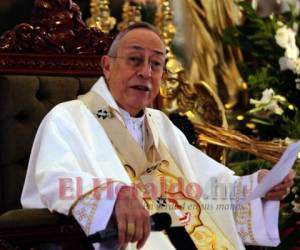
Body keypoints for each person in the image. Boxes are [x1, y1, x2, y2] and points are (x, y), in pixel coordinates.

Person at [21, 22, 295, 250]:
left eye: (156, 64)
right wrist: (115, 196)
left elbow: (210, 184)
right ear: (107, 65)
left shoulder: (161, 124)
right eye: (134, 59)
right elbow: (53, 180)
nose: (146, 72)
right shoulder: (69, 118)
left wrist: (258, 186)